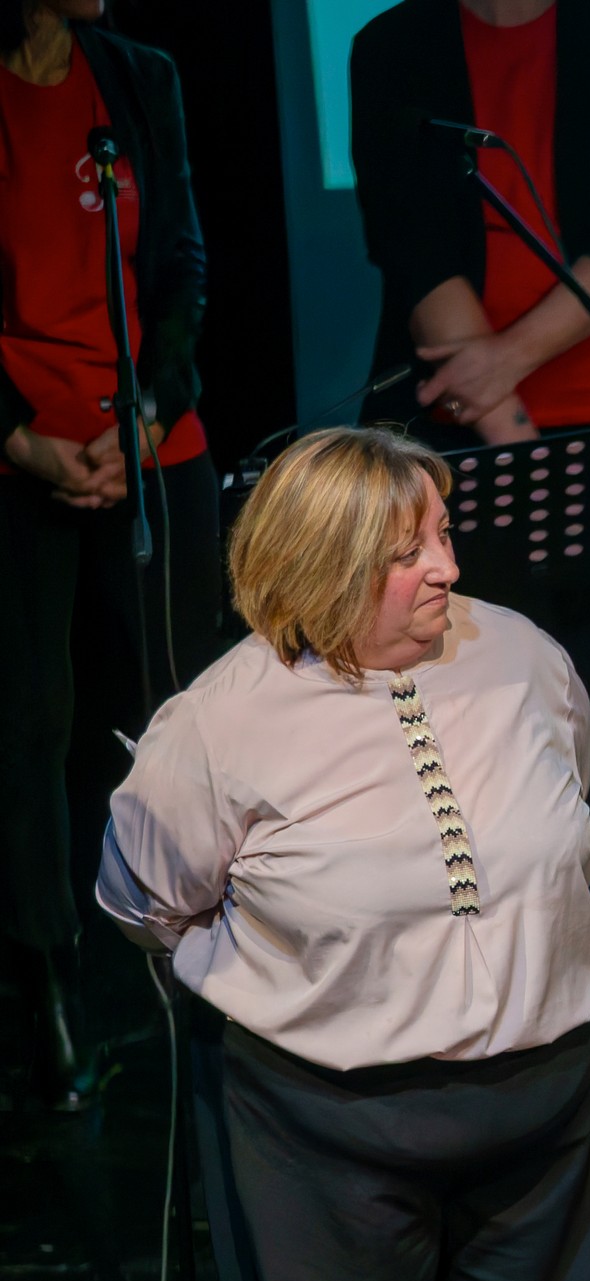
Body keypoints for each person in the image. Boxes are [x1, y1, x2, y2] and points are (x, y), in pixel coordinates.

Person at [98, 427, 590, 1281]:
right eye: (406, 553)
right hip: (328, 1118)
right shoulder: (218, 726)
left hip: (541, 1090)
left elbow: (568, 804)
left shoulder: (522, 658)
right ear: (321, 570)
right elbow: (147, 896)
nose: (446, 567)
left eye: (442, 534)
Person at [350, 0, 590, 1084]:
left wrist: (510, 365)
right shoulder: (392, 45)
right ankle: (501, 978)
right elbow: (410, 241)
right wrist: (506, 423)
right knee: (472, 714)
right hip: (459, 424)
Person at [1, 0, 219, 1106]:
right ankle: (44, 995)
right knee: (27, 722)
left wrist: (148, 412)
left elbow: (180, 260)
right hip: (18, 449)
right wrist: (20, 440)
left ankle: (198, 958)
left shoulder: (138, 76)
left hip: (144, 439)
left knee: (177, 701)